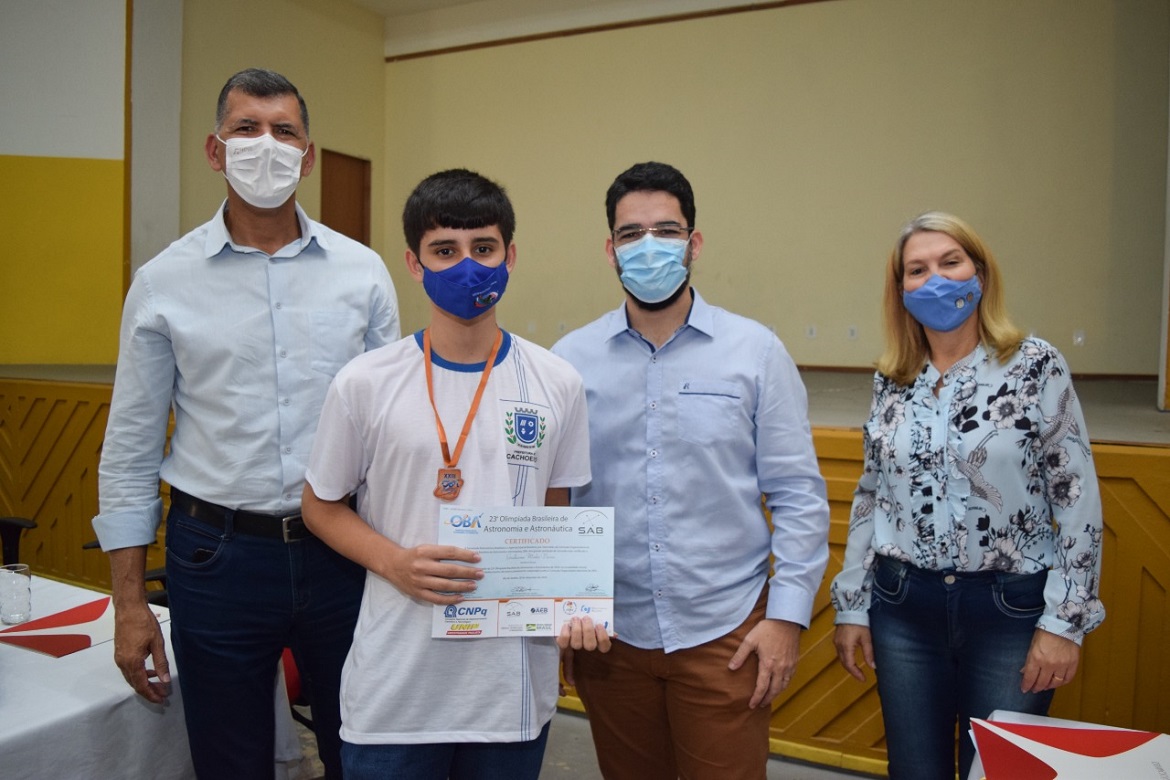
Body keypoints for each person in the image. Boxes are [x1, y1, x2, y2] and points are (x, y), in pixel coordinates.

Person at [92, 68, 400, 779]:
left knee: (370, 750)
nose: (267, 145)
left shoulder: (363, 274)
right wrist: (129, 605)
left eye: (284, 131)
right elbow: (132, 446)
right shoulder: (164, 283)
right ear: (214, 149)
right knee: (228, 760)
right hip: (217, 557)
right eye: (246, 129)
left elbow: (394, 430)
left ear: (309, 154)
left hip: (344, 552)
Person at [300, 168, 609, 780]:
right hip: (394, 692)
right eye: (445, 250)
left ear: (510, 256)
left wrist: (572, 603)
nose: (468, 266)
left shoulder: (558, 382)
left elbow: (556, 517)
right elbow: (319, 505)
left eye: (484, 248)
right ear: (414, 264)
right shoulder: (365, 382)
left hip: (510, 692)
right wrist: (394, 563)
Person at [551, 161, 831, 780]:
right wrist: (562, 608)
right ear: (610, 250)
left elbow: (798, 496)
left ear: (694, 243)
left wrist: (785, 617)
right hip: (610, 639)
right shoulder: (568, 363)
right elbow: (554, 500)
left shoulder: (755, 352)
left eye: (666, 230)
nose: (648, 246)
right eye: (631, 234)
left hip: (723, 631)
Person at [830, 211, 1106, 780]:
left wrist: (1064, 624)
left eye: (950, 262)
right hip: (903, 607)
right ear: (900, 290)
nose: (935, 280)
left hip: (1009, 610)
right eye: (917, 269)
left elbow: (1074, 494)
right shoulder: (893, 378)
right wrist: (853, 603)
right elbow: (871, 493)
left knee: (999, 773)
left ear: (980, 273)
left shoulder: (1034, 365)